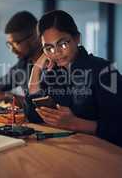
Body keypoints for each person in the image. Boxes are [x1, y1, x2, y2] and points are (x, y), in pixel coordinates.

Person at [28, 10, 122, 146]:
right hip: (68, 148)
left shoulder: (103, 70)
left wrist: (76, 123)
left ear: (77, 38)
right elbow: (33, 115)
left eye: (62, 44)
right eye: (49, 48)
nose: (56, 53)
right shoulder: (52, 73)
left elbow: (118, 128)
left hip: (103, 152)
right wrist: (36, 69)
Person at [0, 11, 42, 106]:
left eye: (16, 43)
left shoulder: (55, 63)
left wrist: (5, 96)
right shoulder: (22, 65)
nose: (12, 50)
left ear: (35, 37)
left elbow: (45, 106)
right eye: (9, 44)